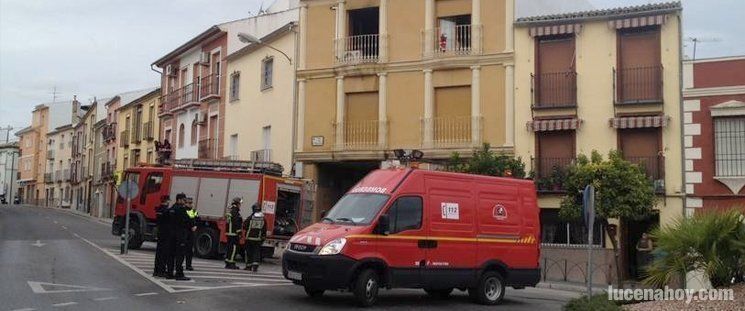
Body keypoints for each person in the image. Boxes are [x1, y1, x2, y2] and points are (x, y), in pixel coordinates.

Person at [166, 193, 191, 281]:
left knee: (171, 255)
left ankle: (169, 273)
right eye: (184, 200)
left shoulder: (171, 209)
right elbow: (188, 221)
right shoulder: (181, 209)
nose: (185, 202)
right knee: (180, 256)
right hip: (180, 235)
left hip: (171, 235)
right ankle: (179, 274)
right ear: (179, 200)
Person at [244, 203, 267, 272]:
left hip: (249, 238)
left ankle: (248, 266)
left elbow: (244, 225)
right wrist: (263, 236)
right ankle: (255, 266)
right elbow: (264, 228)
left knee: (249, 252)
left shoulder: (250, 217)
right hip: (258, 238)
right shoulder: (263, 218)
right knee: (256, 252)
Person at [153, 195, 171, 277]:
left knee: (159, 253)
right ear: (166, 201)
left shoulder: (158, 209)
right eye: (168, 201)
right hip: (166, 233)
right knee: (164, 253)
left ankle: (156, 270)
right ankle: (161, 271)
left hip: (160, 232)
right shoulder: (167, 211)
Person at [224, 197, 243, 270]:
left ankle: (228, 262)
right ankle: (231, 263)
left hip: (229, 232)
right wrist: (239, 232)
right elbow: (236, 223)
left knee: (229, 248)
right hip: (233, 233)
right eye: (240, 204)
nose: (240, 205)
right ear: (237, 204)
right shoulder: (235, 211)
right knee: (234, 248)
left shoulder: (230, 210)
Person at [184, 197, 198, 271]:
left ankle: (188, 265)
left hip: (191, 233)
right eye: (189, 203)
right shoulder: (184, 210)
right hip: (185, 232)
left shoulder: (193, 211)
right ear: (185, 203)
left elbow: (197, 219)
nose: (191, 204)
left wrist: (196, 226)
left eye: (191, 203)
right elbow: (185, 221)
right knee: (182, 250)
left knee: (189, 250)